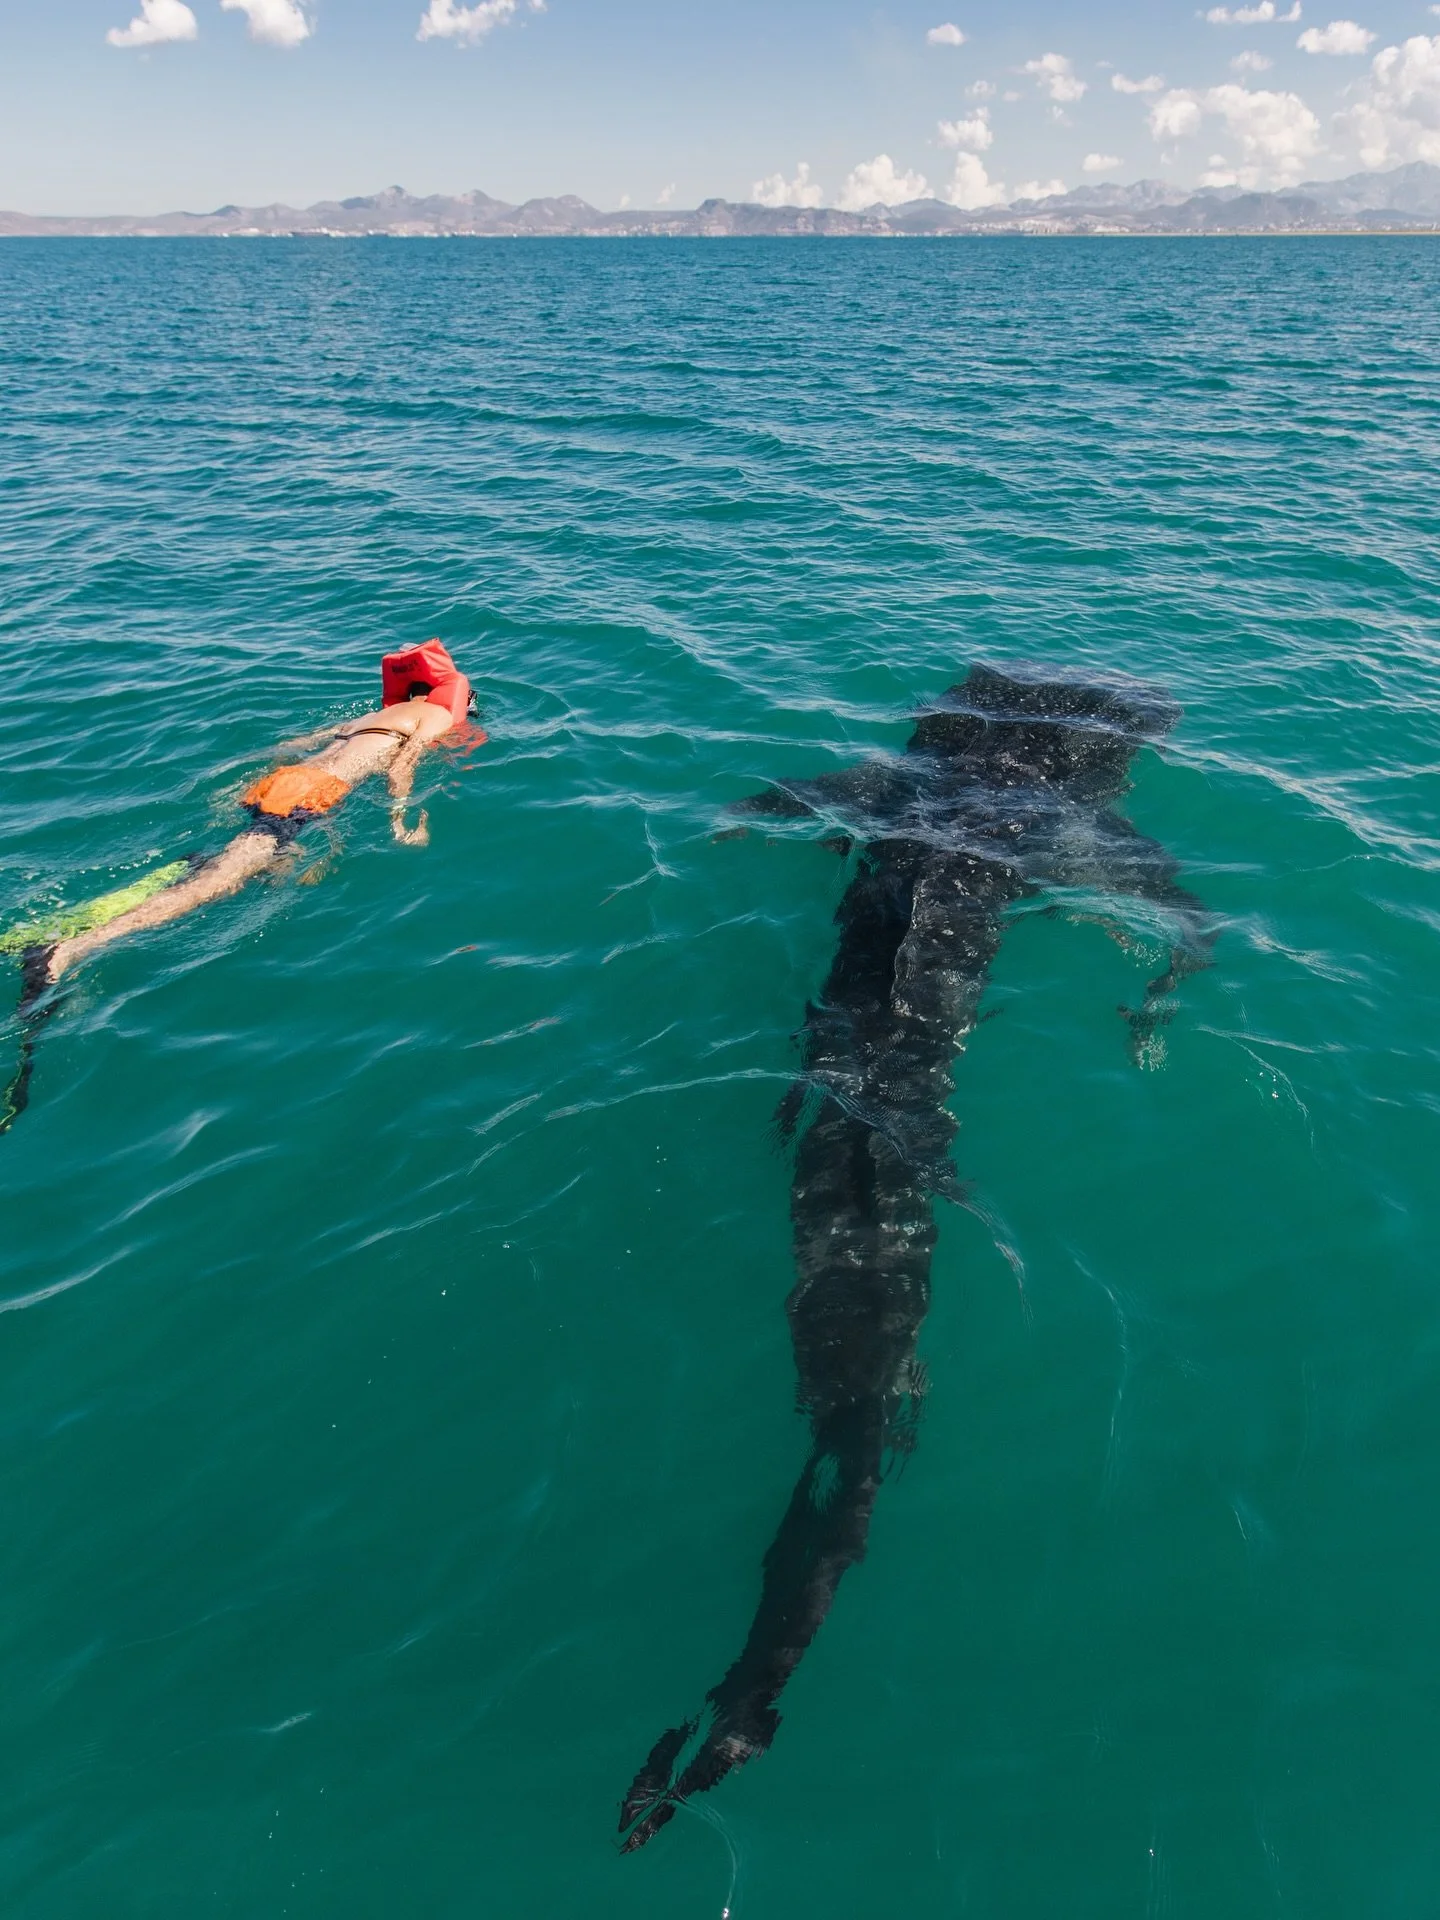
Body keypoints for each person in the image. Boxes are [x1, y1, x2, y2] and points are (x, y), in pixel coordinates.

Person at [17, 639, 480, 1002]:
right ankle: (71, 949)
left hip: (281, 782)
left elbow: (296, 744)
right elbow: (403, 766)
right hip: (311, 796)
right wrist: (399, 820)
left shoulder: (373, 715)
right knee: (224, 879)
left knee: (235, 862)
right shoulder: (437, 716)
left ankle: (73, 922)